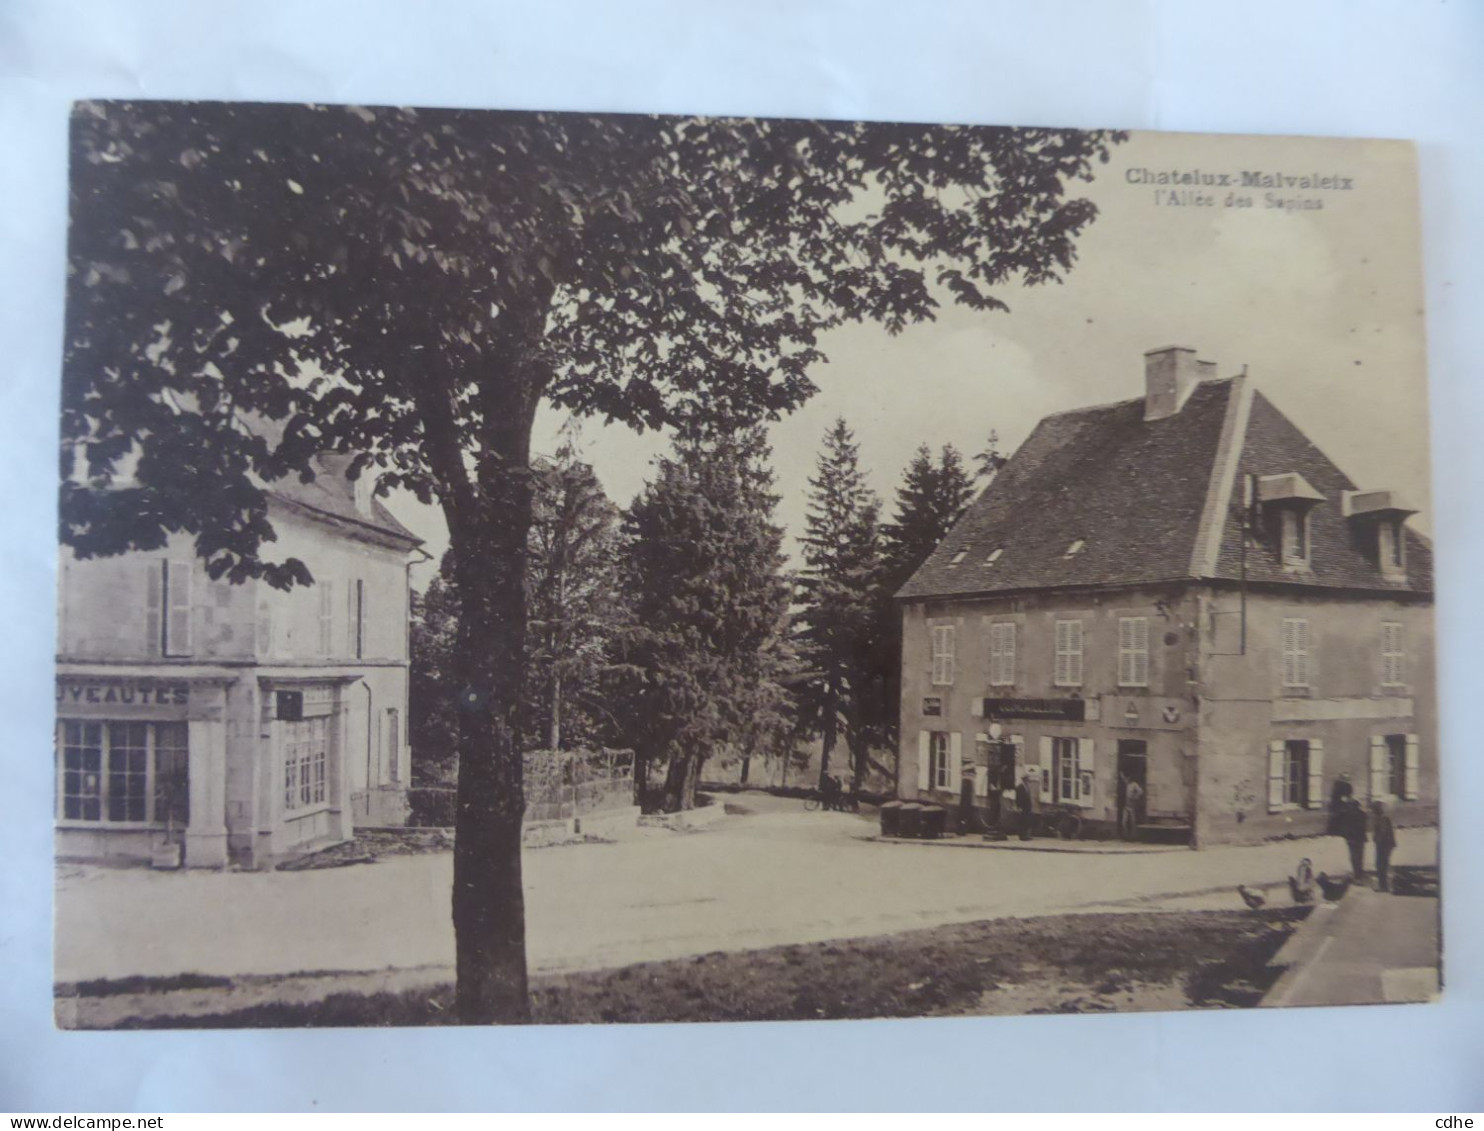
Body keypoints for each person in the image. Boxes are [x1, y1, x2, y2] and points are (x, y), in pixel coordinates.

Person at [1338, 796, 1368, 879]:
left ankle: (1357, 874)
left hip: (1353, 838)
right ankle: (1359, 872)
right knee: (1359, 856)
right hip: (1359, 838)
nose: (1349, 807)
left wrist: (1348, 837)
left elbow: (1349, 828)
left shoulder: (1350, 815)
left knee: (1355, 857)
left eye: (1350, 805)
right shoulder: (1362, 814)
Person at [1372, 800, 1397, 891]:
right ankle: (1383, 886)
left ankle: (1383, 886)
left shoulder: (1382, 819)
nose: (1372, 812)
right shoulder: (1383, 818)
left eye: (1373, 810)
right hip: (1385, 844)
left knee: (1381, 865)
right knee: (1382, 865)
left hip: (1383, 845)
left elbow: (1382, 833)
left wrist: (1376, 839)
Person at [1015, 771, 1040, 841]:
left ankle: (1026, 835)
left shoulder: (1026, 787)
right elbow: (1018, 798)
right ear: (1024, 779)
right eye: (1027, 779)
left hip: (1027, 807)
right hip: (1022, 807)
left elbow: (1028, 797)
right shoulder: (1019, 787)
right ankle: (1022, 836)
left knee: (1027, 821)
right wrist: (1018, 807)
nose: (1028, 780)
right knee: (1022, 822)